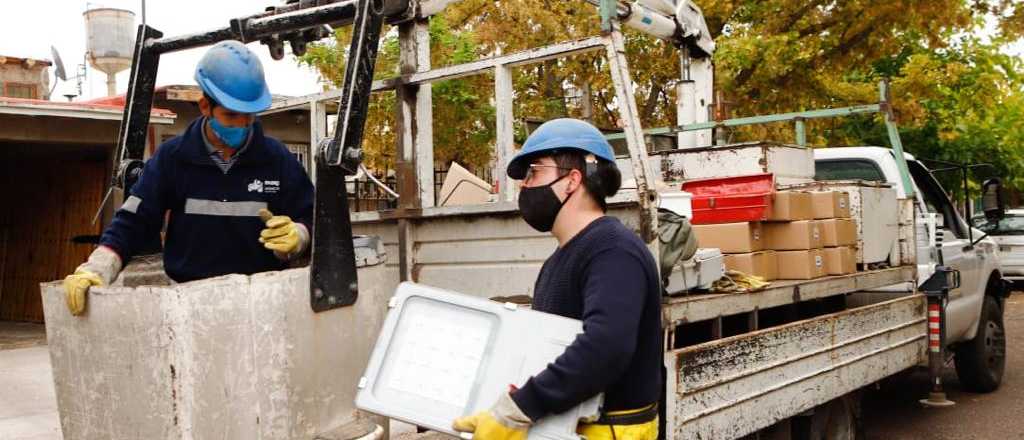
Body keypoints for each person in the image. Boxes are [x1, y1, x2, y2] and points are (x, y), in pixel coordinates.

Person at [62, 40, 314, 315]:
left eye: (249, 116)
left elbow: (313, 216)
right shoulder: (173, 158)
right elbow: (134, 221)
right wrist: (97, 268)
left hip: (263, 302)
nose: (242, 125)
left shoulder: (276, 158)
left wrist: (299, 236)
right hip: (189, 305)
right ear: (205, 106)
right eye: (231, 116)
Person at [453, 118, 662, 440]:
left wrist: (522, 407)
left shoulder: (612, 250)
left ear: (571, 180)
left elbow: (606, 346)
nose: (525, 185)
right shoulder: (562, 258)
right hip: (567, 428)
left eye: (534, 172)